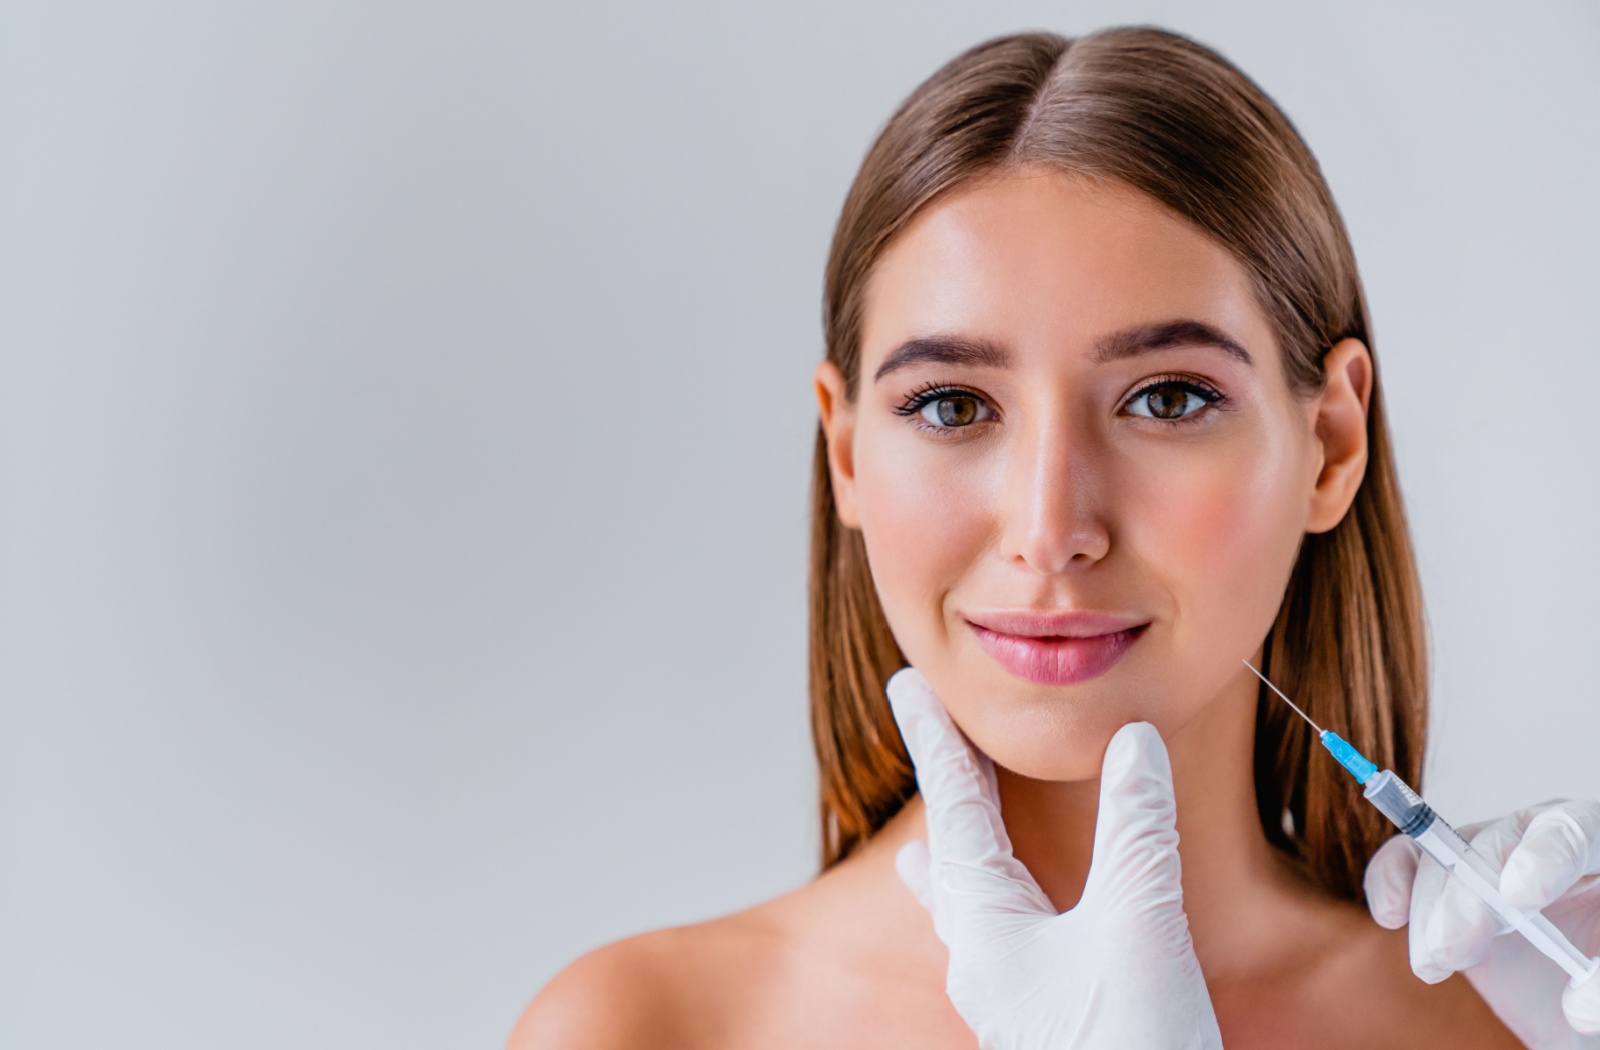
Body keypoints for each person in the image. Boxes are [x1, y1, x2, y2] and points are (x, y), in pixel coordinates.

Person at [511, 26, 1600, 1049]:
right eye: (950, 406)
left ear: (1329, 443)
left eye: (1166, 399)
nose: (1050, 531)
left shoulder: (1511, 1020)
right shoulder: (648, 1028)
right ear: (845, 454)